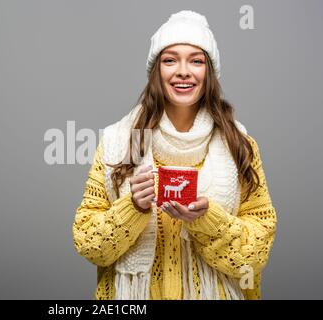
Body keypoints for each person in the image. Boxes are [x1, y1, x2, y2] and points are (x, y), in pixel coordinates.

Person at [72, 10, 277, 300]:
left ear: (210, 73)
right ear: (157, 71)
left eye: (196, 60)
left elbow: (256, 252)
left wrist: (207, 219)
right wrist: (133, 209)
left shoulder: (239, 144)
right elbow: (89, 243)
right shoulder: (117, 142)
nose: (183, 71)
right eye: (170, 60)